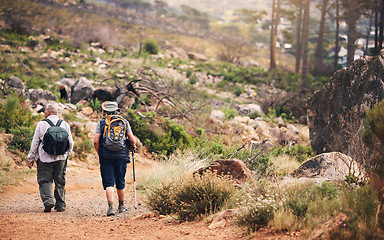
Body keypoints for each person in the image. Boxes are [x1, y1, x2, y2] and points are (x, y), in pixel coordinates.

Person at [28, 104, 74, 213]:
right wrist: (68, 153)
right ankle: (60, 205)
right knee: (60, 181)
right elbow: (70, 142)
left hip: (44, 158)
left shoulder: (41, 124)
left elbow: (35, 143)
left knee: (44, 180)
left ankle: (48, 201)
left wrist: (31, 158)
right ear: (56, 112)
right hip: (61, 157)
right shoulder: (64, 124)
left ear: (47, 112)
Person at [93, 101, 136, 216]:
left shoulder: (102, 122)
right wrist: (132, 146)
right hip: (121, 155)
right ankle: (121, 206)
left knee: (109, 182)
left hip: (105, 156)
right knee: (120, 181)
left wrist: (99, 152)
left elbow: (96, 140)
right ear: (117, 111)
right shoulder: (124, 122)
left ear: (106, 111)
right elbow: (132, 139)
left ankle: (111, 208)